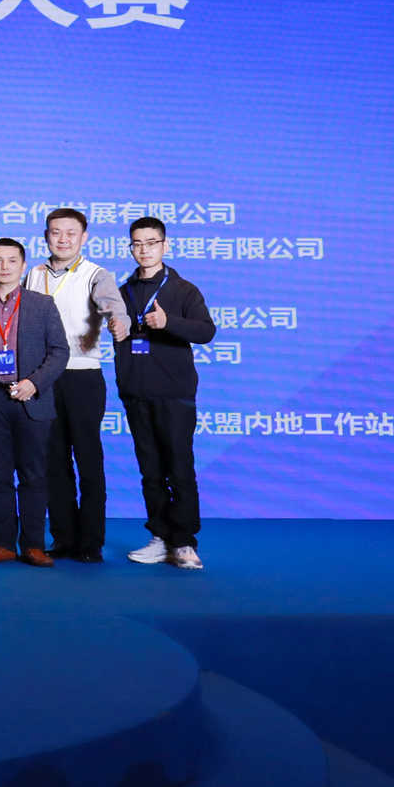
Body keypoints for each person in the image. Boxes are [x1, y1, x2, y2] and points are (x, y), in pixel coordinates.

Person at [0, 238, 69, 566]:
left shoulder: (42, 304)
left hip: (31, 398)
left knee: (34, 475)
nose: (4, 266)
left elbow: (60, 351)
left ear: (23, 266)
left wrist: (34, 383)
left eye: (12, 260)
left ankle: (33, 545)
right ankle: (3, 544)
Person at [26, 207, 130, 562]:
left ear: (84, 237)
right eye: (56, 232)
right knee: (53, 461)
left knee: (88, 459)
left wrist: (118, 322)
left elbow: (113, 306)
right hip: (44, 377)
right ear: (46, 236)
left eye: (71, 233)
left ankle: (91, 542)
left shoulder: (95, 274)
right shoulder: (34, 274)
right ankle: (64, 537)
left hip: (82, 376)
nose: (63, 239)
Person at [115, 217, 217, 571]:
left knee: (179, 467)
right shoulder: (124, 291)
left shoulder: (183, 290)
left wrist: (168, 322)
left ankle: (184, 542)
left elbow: (206, 331)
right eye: (137, 244)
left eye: (151, 242)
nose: (143, 250)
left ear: (165, 245)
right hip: (136, 391)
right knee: (150, 469)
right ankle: (160, 537)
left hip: (174, 392)